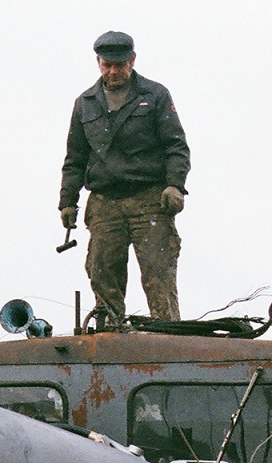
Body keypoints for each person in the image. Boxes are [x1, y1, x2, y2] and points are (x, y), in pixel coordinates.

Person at [59, 30, 190, 327]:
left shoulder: (154, 95)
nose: (113, 71)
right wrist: (67, 201)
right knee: (103, 272)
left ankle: (167, 335)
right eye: (107, 65)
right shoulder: (85, 103)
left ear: (132, 60)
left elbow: (176, 146)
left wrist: (175, 185)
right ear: (98, 62)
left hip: (150, 200)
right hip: (105, 203)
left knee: (158, 272)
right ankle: (110, 333)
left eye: (119, 65)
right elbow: (75, 158)